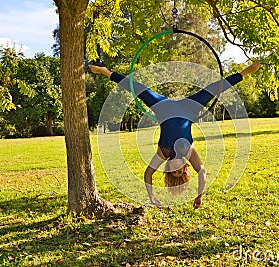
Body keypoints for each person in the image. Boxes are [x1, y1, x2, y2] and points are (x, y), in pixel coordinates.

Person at [90, 62, 260, 209]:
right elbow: (201, 172)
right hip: (189, 108)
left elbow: (148, 174)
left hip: (162, 108)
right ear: (186, 168)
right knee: (215, 88)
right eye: (181, 171)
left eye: (174, 171)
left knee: (136, 88)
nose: (177, 168)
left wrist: (151, 196)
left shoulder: (163, 153)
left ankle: (105, 72)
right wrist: (199, 195)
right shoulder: (189, 153)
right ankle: (245, 72)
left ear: (169, 169)